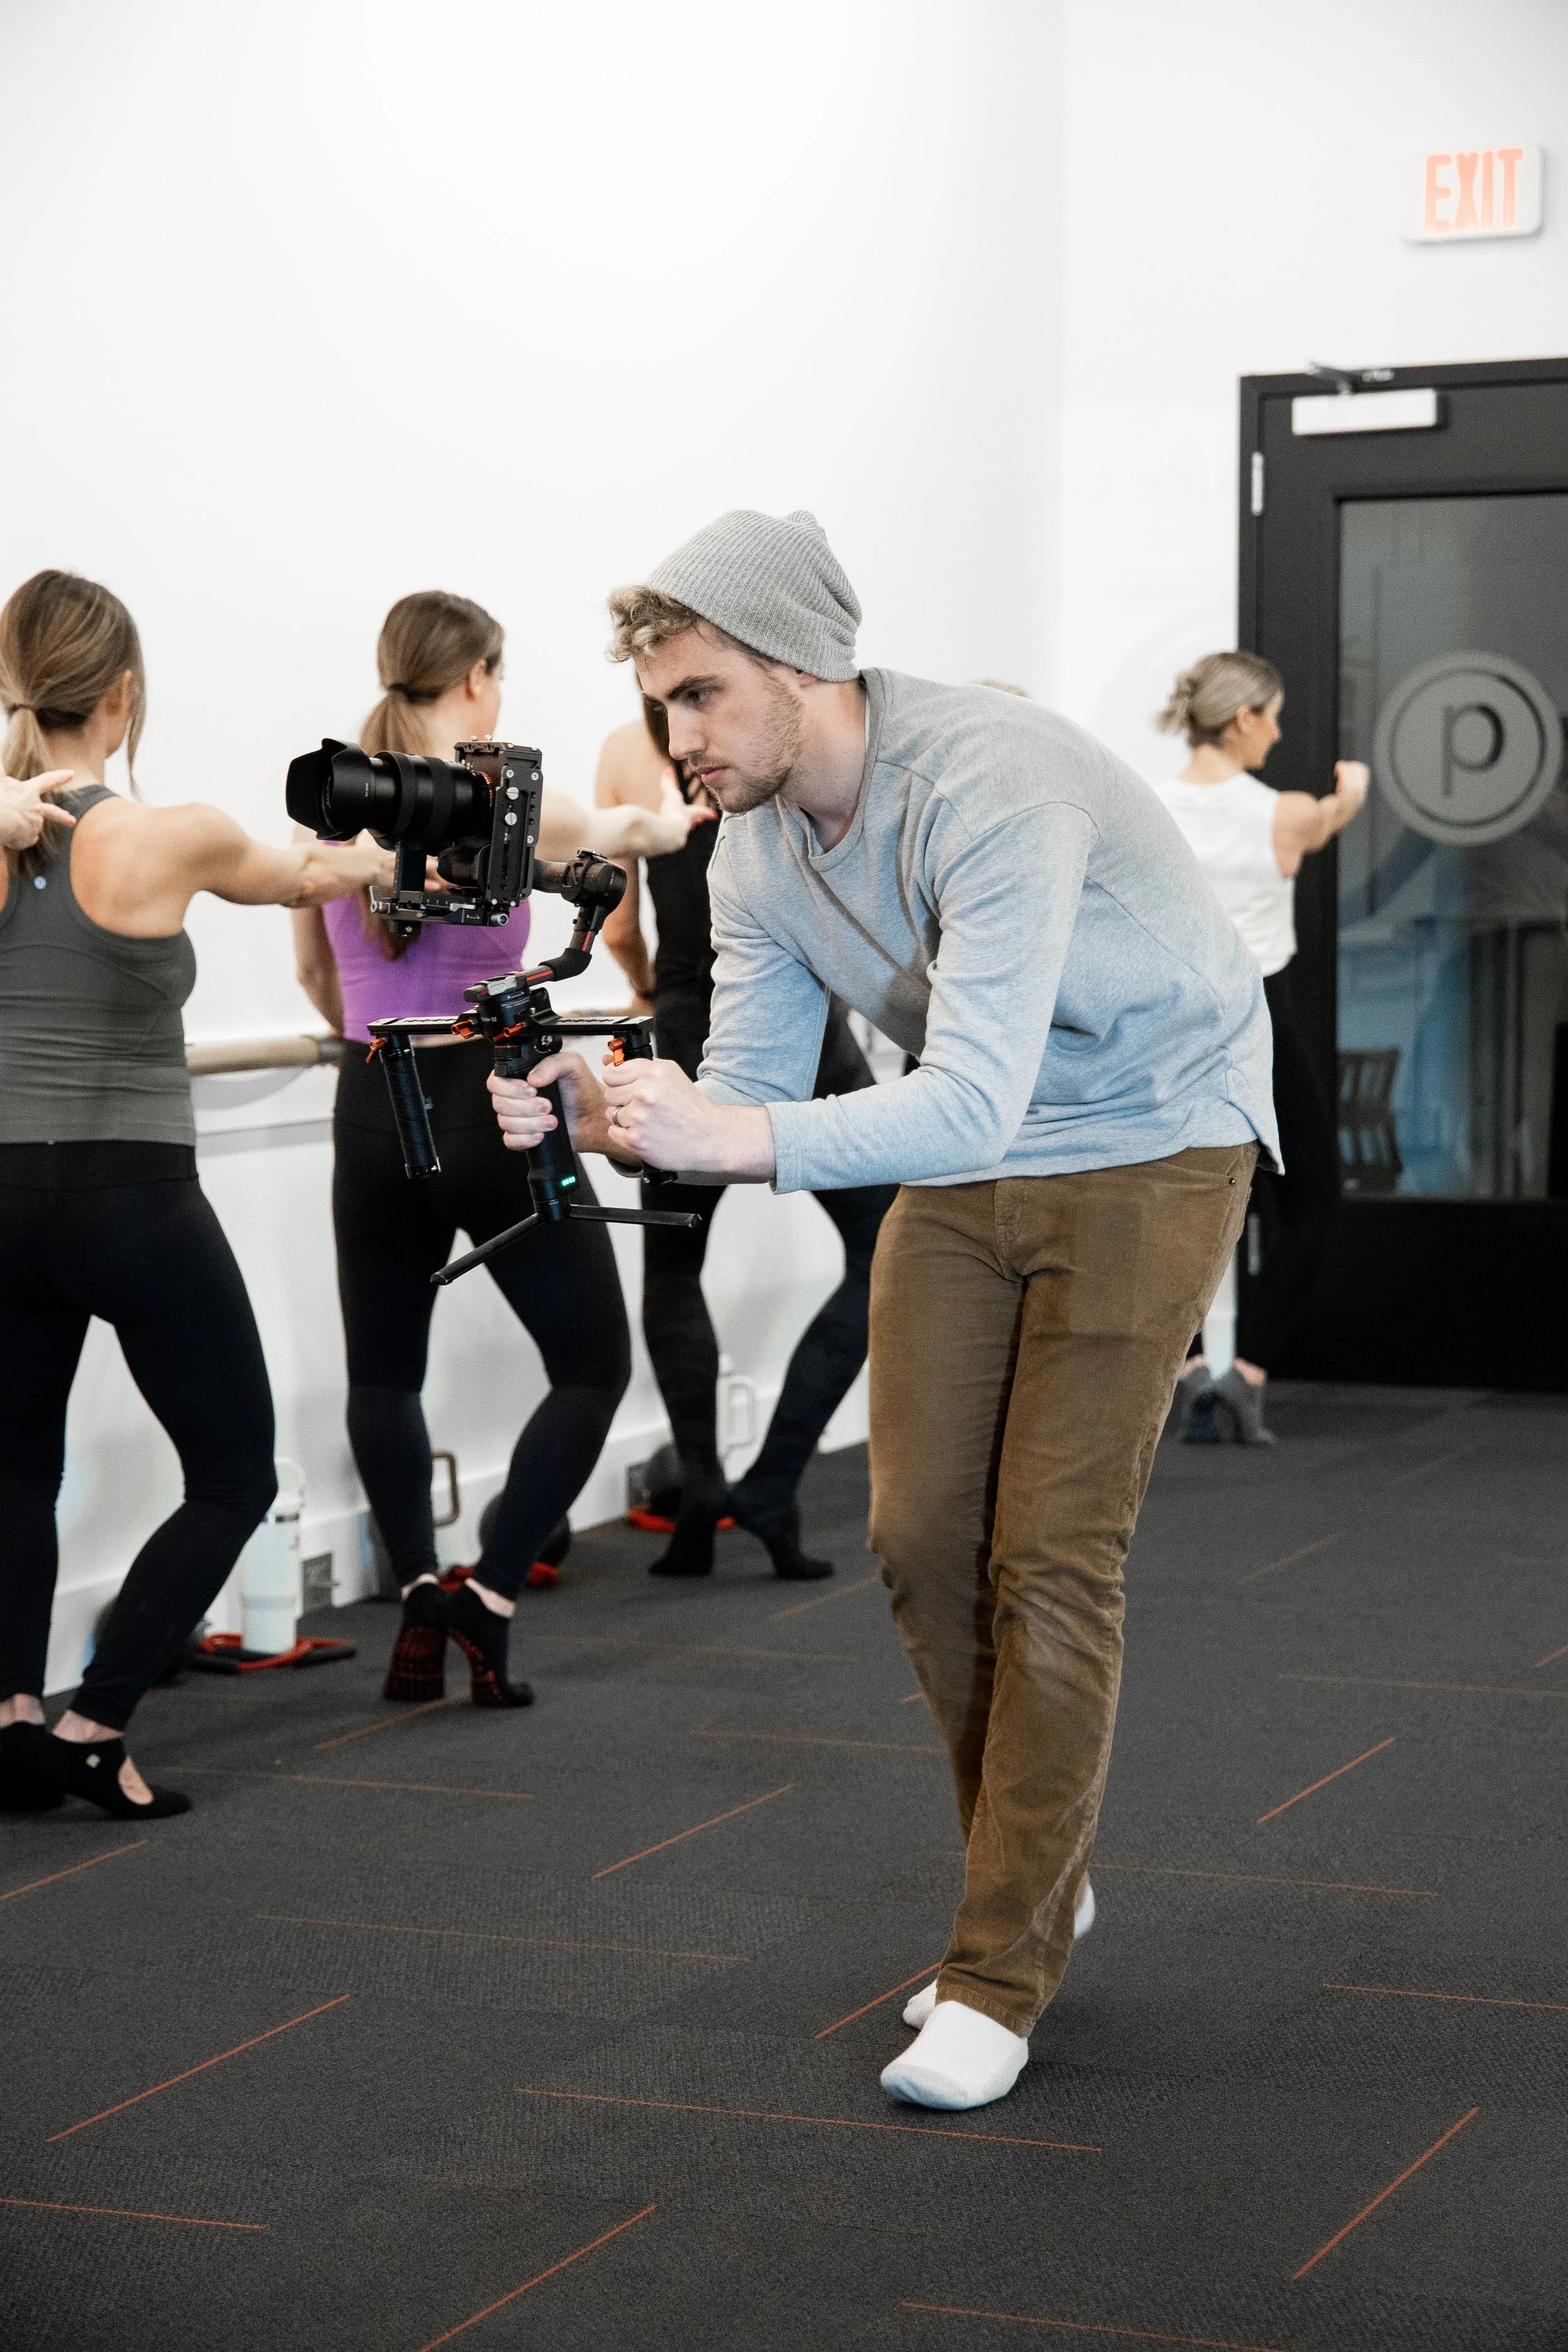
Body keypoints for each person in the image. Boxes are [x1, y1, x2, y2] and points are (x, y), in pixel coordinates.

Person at [489, 509, 1276, 2112]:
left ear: (801, 665)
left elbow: (955, 1097)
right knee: (919, 1540)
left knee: (1050, 1556)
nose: (676, 739)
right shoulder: (753, 848)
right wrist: (604, 1109)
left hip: (1155, 1132)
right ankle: (1037, 1869)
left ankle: (999, 1963)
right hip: (975, 1152)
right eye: (661, 704)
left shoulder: (993, 780)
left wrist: (729, 1136)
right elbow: (749, 1093)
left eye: (700, 695)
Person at [0, 569, 391, 1821]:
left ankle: (12, 1722)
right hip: (129, 1198)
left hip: (4, 1200)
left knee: (15, 1471)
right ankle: (94, 1724)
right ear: (122, 693)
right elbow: (306, 876)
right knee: (232, 1474)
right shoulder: (170, 834)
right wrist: (385, 846)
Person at [292, 590, 708, 1709]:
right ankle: (490, 1594)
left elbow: (317, 976)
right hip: (494, 1099)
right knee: (592, 1367)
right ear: (475, 678)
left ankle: (419, 1592)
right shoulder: (510, 806)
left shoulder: (335, 811)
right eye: (500, 676)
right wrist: (677, 818)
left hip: (372, 1098)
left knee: (383, 1374)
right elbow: (630, 834)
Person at [595, 696, 895, 1579]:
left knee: (673, 1268)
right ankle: (773, 1480)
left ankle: (700, 1487)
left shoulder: (623, 753)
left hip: (687, 1022)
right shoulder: (771, 734)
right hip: (801, 1021)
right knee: (887, 1248)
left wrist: (661, 990)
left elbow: (619, 923)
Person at [1151, 654, 1367, 1444]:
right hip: (1256, 1016)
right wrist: (1353, 791)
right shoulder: (1284, 812)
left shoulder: (1149, 808)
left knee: (1182, 1200)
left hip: (1171, 1021)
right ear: (1242, 719)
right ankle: (1244, 1378)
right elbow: (1330, 817)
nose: (1276, 734)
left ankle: (1188, 1370)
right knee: (1311, 1199)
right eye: (1271, 717)